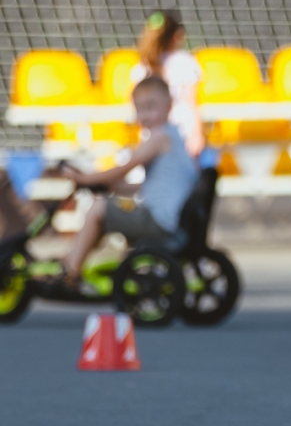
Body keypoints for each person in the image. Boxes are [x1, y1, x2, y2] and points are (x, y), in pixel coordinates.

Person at [53, 76, 199, 285]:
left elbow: (125, 168)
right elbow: (145, 186)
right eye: (140, 109)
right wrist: (110, 185)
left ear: (169, 105)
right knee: (105, 208)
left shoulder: (160, 138)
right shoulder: (174, 137)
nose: (145, 115)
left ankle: (71, 271)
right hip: (169, 219)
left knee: (100, 207)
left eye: (151, 107)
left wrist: (84, 178)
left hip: (160, 221)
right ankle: (73, 258)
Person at [130, 10, 205, 157]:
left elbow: (133, 103)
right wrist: (196, 133)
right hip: (182, 134)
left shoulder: (141, 67)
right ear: (177, 36)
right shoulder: (185, 62)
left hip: (151, 137)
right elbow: (191, 102)